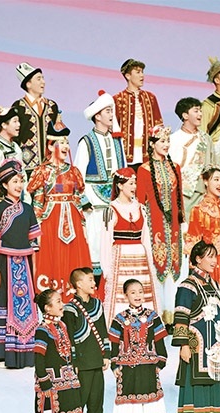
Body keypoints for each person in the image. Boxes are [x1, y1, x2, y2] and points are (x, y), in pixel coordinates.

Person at [0, 160, 41, 368]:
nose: (19, 185)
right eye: (14, 181)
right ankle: (4, 352)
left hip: (25, 266)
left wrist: (35, 271)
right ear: (4, 184)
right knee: (4, 305)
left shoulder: (28, 209)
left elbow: (34, 244)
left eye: (21, 181)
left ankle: (26, 350)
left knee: (26, 308)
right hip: (4, 264)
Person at [172, 241, 220, 413]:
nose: (214, 261)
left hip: (217, 346)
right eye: (210, 256)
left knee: (216, 384)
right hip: (197, 347)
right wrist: (183, 345)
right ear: (198, 259)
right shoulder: (187, 285)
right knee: (199, 386)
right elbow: (180, 316)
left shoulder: (216, 285)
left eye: (215, 256)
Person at [184, 168, 220, 362]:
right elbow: (193, 239)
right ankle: (216, 349)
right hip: (212, 263)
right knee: (214, 304)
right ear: (206, 182)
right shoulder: (198, 210)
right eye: (215, 179)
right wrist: (197, 268)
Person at [27, 123, 92, 298]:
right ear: (50, 146)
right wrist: (36, 230)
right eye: (61, 142)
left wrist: (83, 225)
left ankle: (74, 298)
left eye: (67, 142)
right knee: (52, 258)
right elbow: (38, 202)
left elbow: (77, 199)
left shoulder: (73, 172)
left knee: (74, 259)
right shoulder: (42, 171)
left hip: (73, 222)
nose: (66, 146)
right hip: (51, 221)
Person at [28, 289, 88, 413]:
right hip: (51, 381)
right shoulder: (42, 330)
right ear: (47, 308)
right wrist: (44, 381)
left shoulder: (62, 326)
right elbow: (39, 358)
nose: (62, 304)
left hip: (66, 378)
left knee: (68, 411)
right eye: (58, 301)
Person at [107, 279, 170, 413]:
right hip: (127, 367)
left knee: (147, 397)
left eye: (140, 292)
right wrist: (114, 364)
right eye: (133, 292)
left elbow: (159, 342)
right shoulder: (119, 319)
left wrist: (161, 362)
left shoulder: (152, 317)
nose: (138, 295)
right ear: (125, 295)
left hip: (148, 366)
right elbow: (114, 344)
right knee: (130, 397)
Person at [73, 91, 127, 283]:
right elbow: (77, 174)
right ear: (97, 115)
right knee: (95, 247)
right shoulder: (86, 141)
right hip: (94, 205)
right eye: (108, 111)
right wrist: (84, 200)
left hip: (115, 203)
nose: (112, 115)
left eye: (112, 111)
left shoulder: (117, 141)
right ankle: (96, 288)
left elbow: (124, 171)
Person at [137, 124, 184, 327]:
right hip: (153, 224)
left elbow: (179, 199)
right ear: (152, 144)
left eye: (168, 141)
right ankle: (156, 316)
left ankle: (171, 315)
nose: (166, 145)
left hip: (173, 225)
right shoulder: (144, 170)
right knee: (156, 267)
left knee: (173, 269)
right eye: (162, 141)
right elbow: (140, 201)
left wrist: (181, 223)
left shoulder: (175, 168)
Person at [100, 168, 158, 326]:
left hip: (140, 260)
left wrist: (150, 264)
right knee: (121, 293)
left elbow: (146, 239)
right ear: (120, 185)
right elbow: (105, 242)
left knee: (140, 291)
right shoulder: (111, 210)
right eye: (131, 183)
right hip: (120, 259)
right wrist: (107, 270)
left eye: (135, 183)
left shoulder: (141, 208)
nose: (134, 187)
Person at [62, 267, 110, 413]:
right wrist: (73, 361)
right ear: (79, 284)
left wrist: (107, 355)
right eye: (89, 279)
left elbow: (103, 330)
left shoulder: (97, 304)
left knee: (96, 401)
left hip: (97, 360)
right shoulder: (70, 308)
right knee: (80, 400)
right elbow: (69, 338)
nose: (93, 283)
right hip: (81, 364)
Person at [171, 97, 216, 218]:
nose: (200, 114)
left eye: (200, 110)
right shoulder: (173, 139)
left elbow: (212, 164)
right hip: (182, 192)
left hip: (203, 192)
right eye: (196, 111)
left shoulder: (206, 138)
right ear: (185, 115)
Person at [13, 62, 62, 176]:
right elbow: (14, 138)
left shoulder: (52, 106)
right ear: (28, 84)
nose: (43, 82)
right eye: (38, 79)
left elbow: (58, 136)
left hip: (50, 169)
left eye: (43, 78)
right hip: (26, 170)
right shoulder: (18, 107)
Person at [114, 59, 163, 168]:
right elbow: (113, 129)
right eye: (138, 72)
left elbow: (158, 126)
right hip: (126, 156)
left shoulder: (150, 97)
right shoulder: (118, 99)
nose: (142, 75)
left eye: (142, 72)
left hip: (148, 155)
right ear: (128, 76)